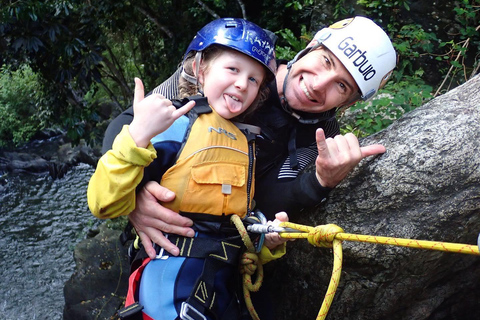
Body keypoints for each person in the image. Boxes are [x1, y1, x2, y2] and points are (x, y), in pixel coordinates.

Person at [101, 16, 397, 261]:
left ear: (349, 103)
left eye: (342, 86)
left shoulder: (321, 138)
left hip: (217, 246)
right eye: (326, 62)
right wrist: (134, 197)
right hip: (162, 232)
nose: (318, 85)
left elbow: (266, 198)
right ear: (309, 47)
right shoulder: (239, 64)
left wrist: (321, 180)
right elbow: (129, 125)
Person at [88, 18, 288, 320]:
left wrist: (265, 243)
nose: (241, 84)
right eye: (232, 69)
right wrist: (137, 135)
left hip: (221, 287)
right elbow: (103, 202)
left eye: (253, 80)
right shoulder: (174, 125)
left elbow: (231, 230)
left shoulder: (245, 143)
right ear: (200, 69)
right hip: (170, 283)